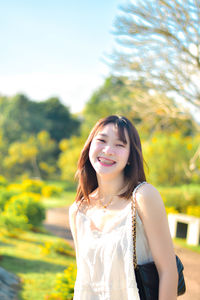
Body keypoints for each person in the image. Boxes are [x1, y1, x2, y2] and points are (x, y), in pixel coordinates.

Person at [69, 115, 178, 300]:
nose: (108, 150)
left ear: (130, 156)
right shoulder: (78, 211)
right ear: (89, 147)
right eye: (101, 140)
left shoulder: (143, 196)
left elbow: (168, 271)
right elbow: (84, 283)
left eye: (120, 145)